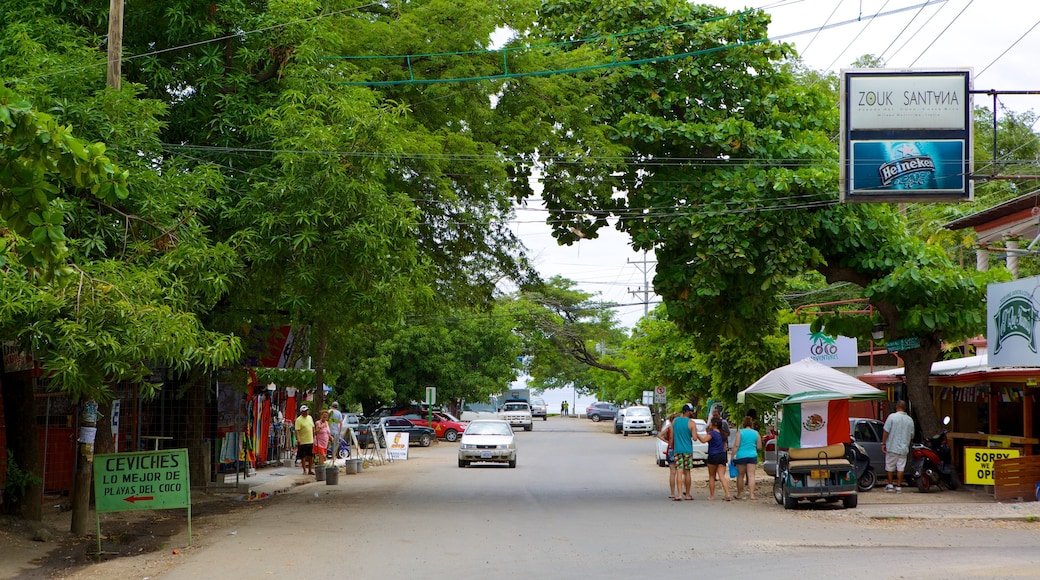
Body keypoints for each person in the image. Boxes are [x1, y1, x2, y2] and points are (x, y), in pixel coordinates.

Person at [663, 403, 700, 500]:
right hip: (687, 450)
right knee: (687, 472)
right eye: (691, 411)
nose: (692, 413)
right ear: (687, 411)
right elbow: (695, 438)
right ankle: (687, 494)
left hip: (677, 450)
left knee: (679, 470)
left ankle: (679, 494)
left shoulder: (675, 421)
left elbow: (672, 434)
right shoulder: (691, 423)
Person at [882, 400, 915, 493]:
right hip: (904, 448)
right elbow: (912, 435)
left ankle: (890, 484)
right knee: (901, 467)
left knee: (889, 466)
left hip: (892, 446)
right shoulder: (910, 420)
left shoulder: (891, 417)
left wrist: (883, 443)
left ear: (897, 407)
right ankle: (899, 486)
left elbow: (886, 431)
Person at [731, 416, 762, 500]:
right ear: (751, 423)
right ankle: (752, 495)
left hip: (741, 456)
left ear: (743, 423)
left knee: (740, 476)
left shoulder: (740, 432)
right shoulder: (756, 433)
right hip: (752, 455)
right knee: (751, 475)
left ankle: (739, 494)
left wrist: (732, 455)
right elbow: (759, 446)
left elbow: (736, 445)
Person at [701, 417, 732, 500]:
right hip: (722, 455)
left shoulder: (712, 433)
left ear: (714, 424)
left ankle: (712, 496)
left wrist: (697, 435)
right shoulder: (723, 434)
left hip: (713, 455)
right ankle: (727, 494)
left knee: (712, 476)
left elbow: (704, 440)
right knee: (722, 476)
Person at [656, 412, 681, 499]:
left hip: (670, 450)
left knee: (672, 472)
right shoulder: (679, 428)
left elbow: (659, 435)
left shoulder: (669, 428)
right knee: (681, 472)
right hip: (679, 449)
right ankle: (681, 491)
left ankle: (672, 493)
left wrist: (668, 442)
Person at [295, 404, 315, 475]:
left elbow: (312, 427)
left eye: (307, 411)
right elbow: (297, 430)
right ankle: (304, 470)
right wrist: (298, 439)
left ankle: (310, 469)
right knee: (303, 456)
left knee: (311, 456)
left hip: (310, 440)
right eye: (304, 411)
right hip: (303, 441)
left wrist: (314, 436)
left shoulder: (310, 418)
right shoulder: (298, 420)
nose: (306, 412)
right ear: (301, 412)